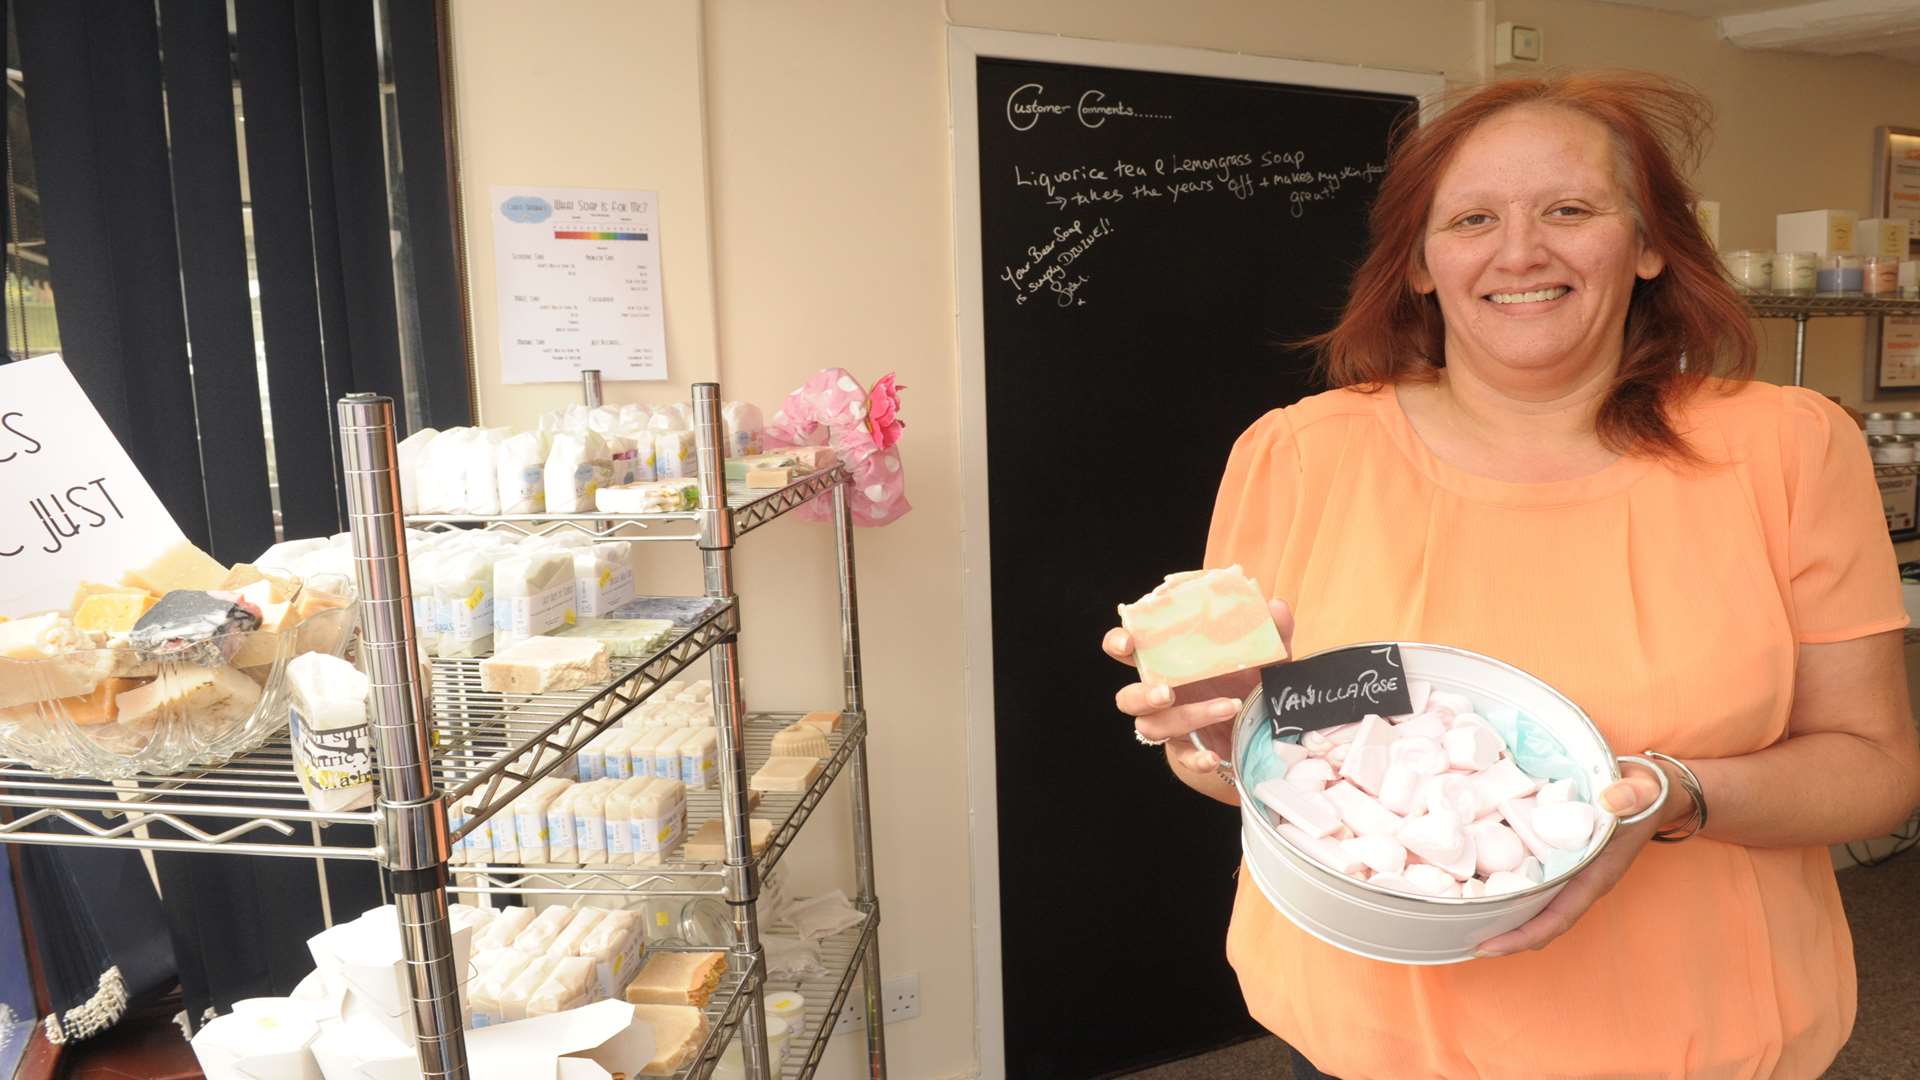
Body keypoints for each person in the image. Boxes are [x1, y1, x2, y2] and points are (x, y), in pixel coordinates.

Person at [1104, 72, 1920, 1080]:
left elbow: (1874, 770)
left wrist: (1674, 793)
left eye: (1570, 210)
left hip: (1703, 1041)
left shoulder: (1789, 449)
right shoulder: (1301, 456)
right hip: (1373, 1040)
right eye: (1474, 217)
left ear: (1653, 244)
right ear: (1418, 263)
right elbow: (1259, 761)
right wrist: (1212, 740)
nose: (1520, 250)